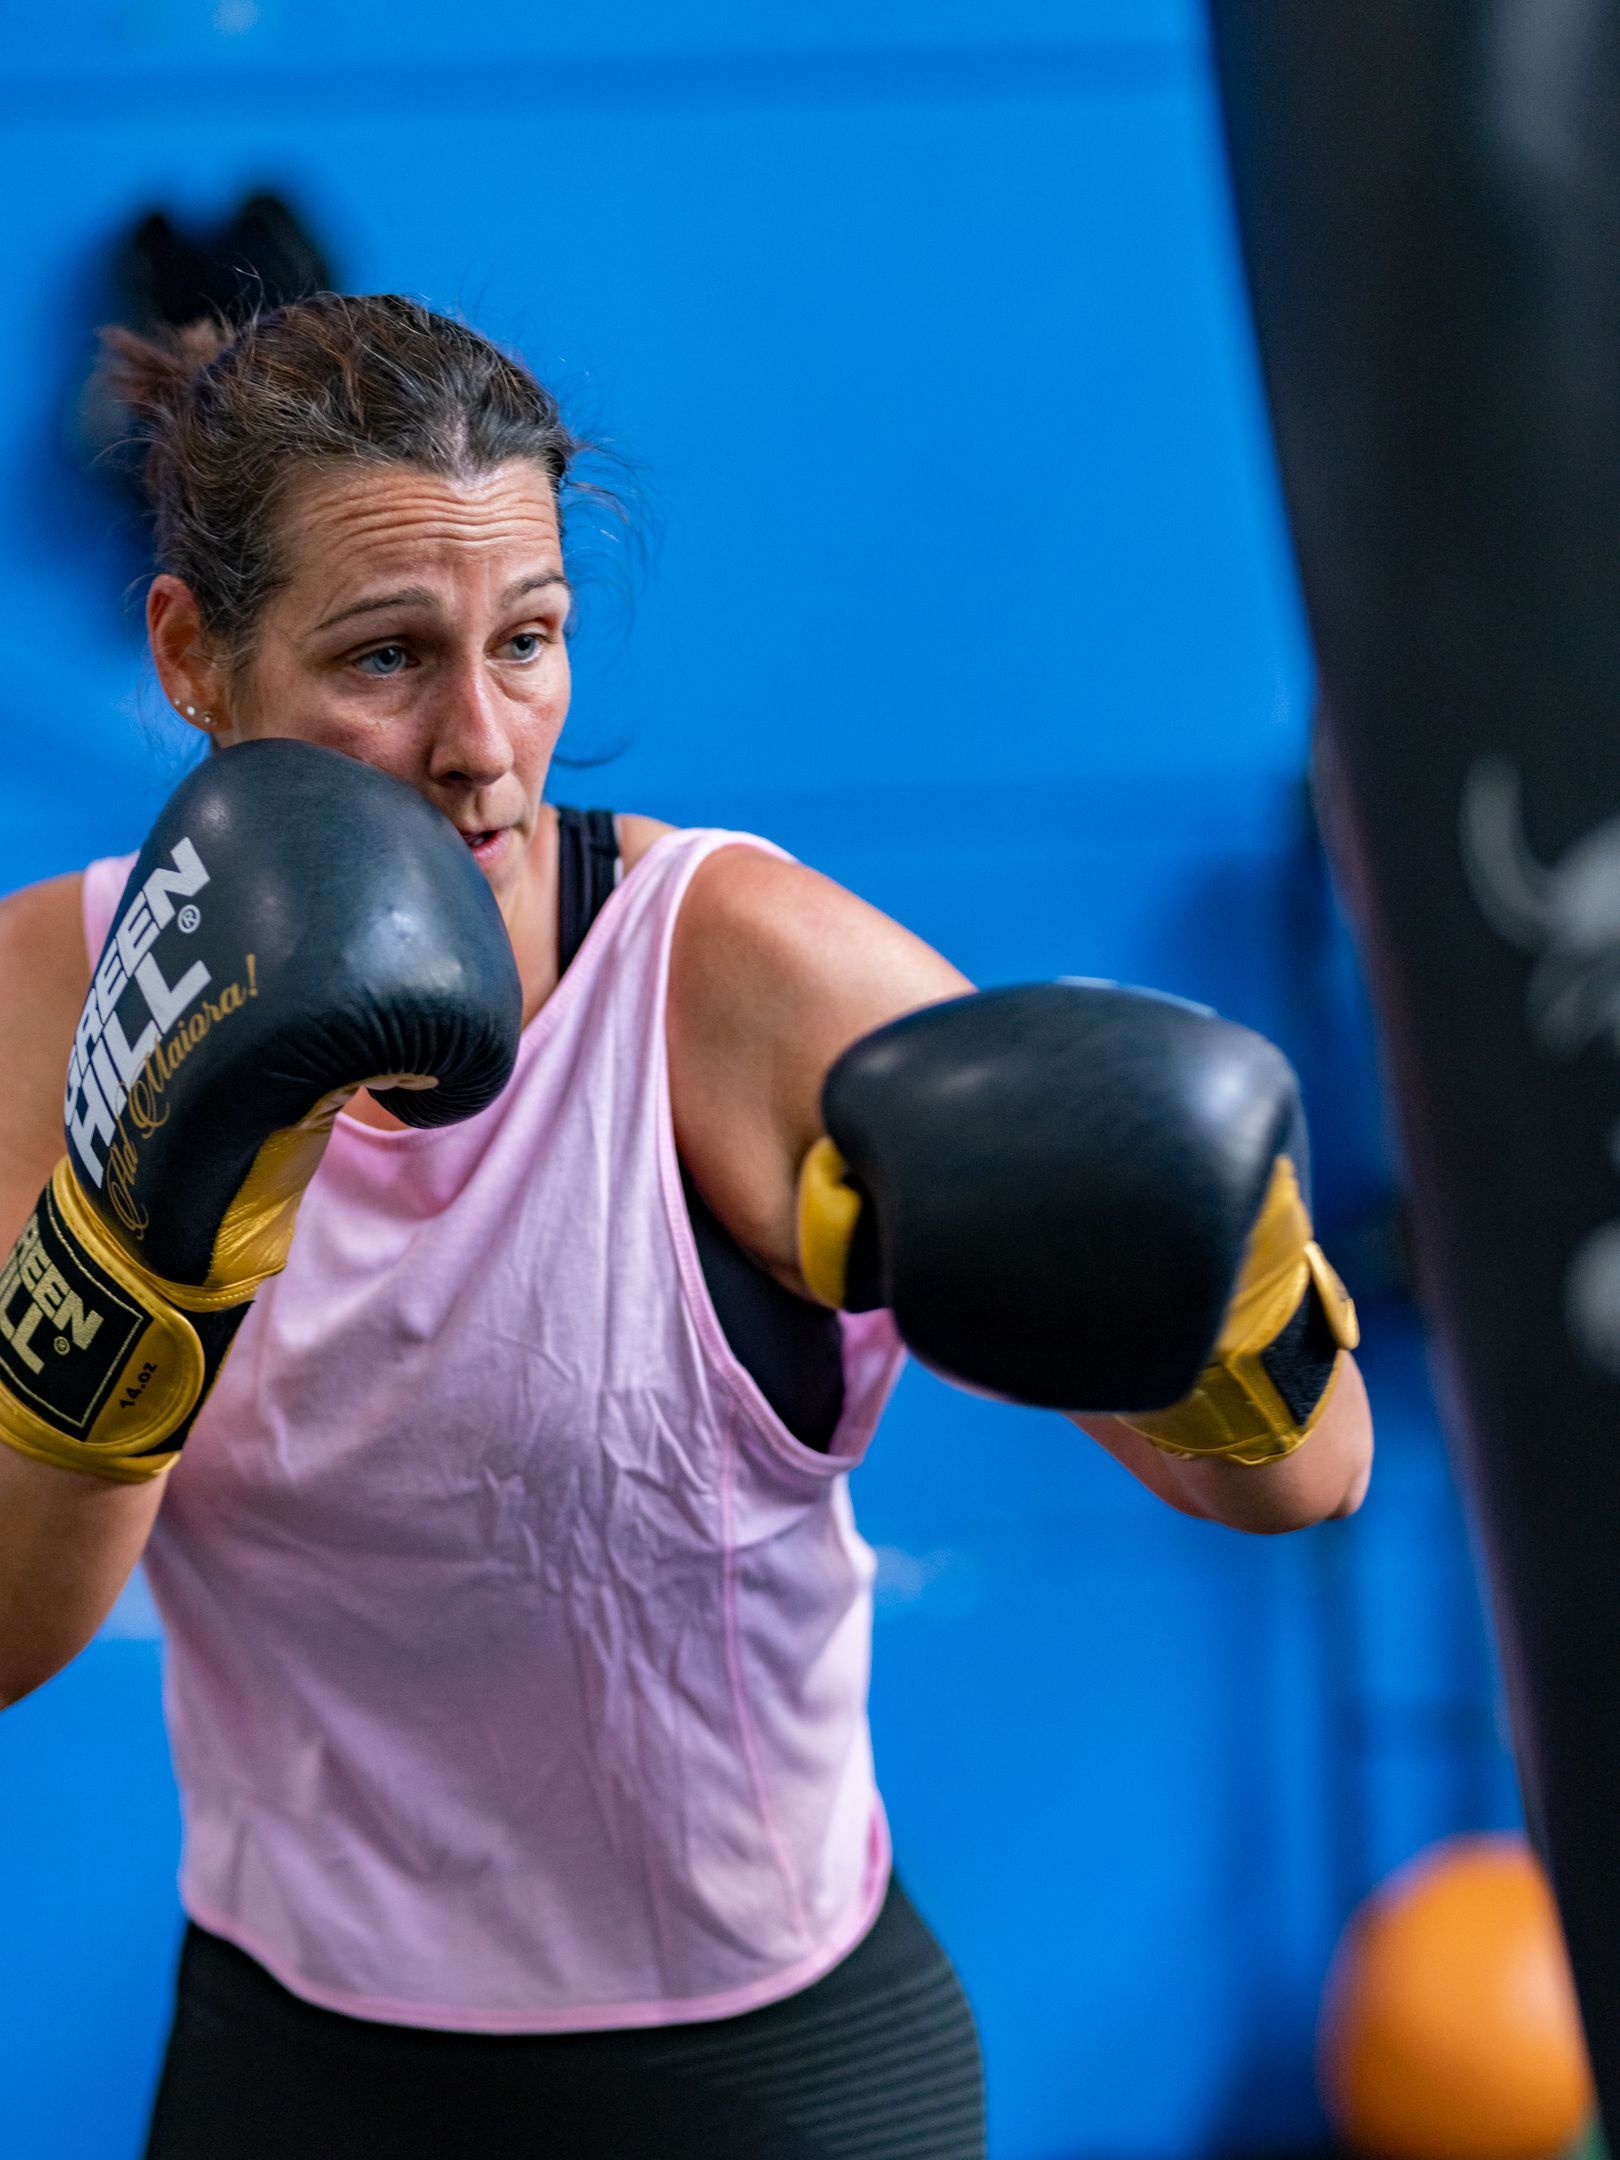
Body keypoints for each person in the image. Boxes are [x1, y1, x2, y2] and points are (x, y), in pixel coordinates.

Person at [0, 294, 1374, 2160]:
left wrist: (1226, 1285)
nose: (482, 744)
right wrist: (130, 1259)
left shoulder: (737, 985)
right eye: (386, 657)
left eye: (532, 642)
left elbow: (1301, 1481)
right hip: (289, 2058)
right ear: (193, 655)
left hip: (765, 2077)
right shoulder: (56, 1000)